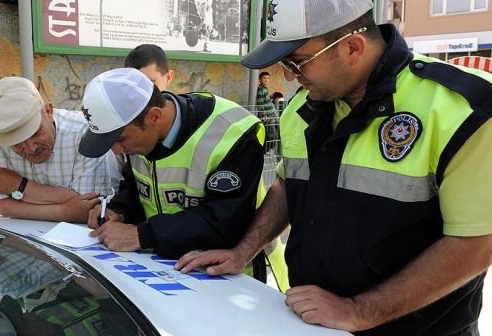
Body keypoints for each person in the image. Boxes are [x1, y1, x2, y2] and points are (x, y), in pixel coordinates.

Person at [176, 0, 492, 335]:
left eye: (297, 63)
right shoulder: (303, 106)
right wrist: (243, 251)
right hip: (314, 323)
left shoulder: (464, 109)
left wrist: (359, 310)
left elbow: (477, 242)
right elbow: (288, 185)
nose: (288, 76)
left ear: (352, 47)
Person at [77, 67, 288, 288]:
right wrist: (118, 210)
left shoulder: (232, 131)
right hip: (165, 273)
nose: (117, 151)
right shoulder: (140, 135)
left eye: (120, 139)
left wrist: (143, 235)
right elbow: (135, 188)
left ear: (154, 116)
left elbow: (225, 221)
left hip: (228, 279)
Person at [0, 77, 122, 223]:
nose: (30, 148)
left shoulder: (84, 133)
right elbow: (4, 207)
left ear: (48, 111)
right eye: (16, 143)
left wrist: (19, 185)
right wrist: (65, 211)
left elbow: (88, 210)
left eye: (35, 133)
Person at [256, 72, 279, 154]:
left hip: (270, 116)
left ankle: (267, 150)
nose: (266, 80)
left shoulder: (265, 89)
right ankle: (270, 150)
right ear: (260, 79)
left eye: (268, 78)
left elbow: (267, 103)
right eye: (264, 78)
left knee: (269, 133)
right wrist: (263, 115)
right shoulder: (260, 89)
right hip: (266, 117)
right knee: (272, 134)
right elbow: (260, 103)